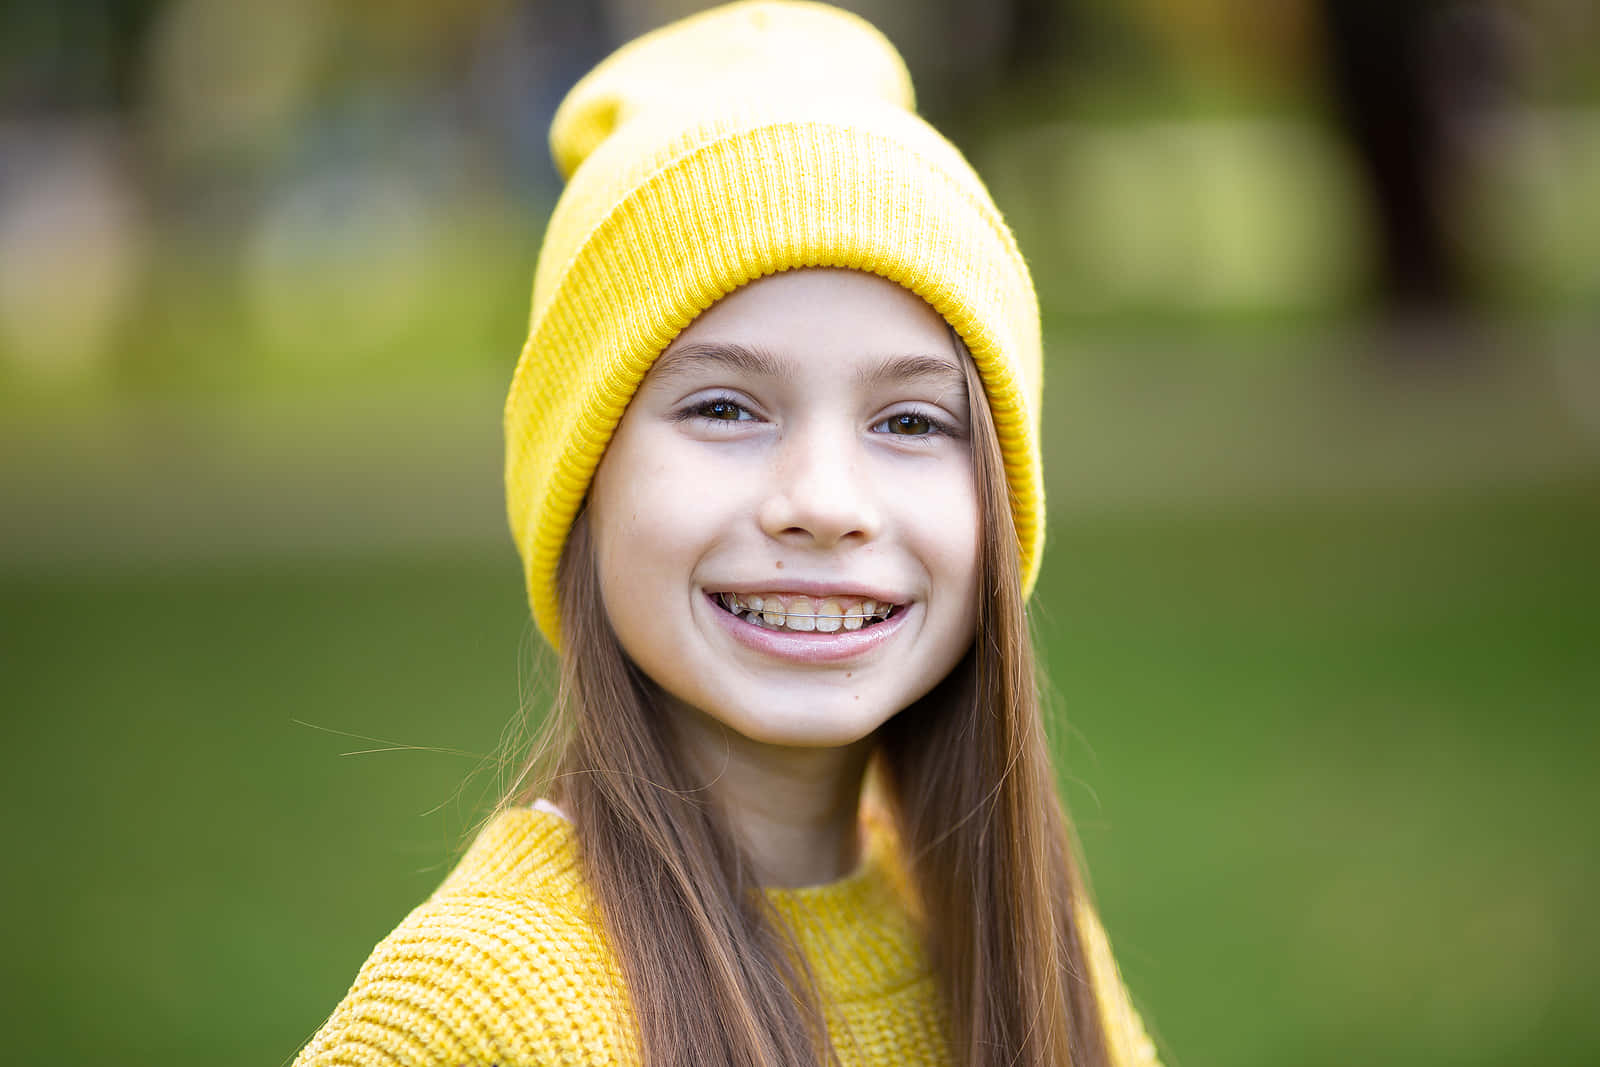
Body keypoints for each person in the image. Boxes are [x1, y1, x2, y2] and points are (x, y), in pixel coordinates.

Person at [293, 3, 1160, 1065]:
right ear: (582, 481)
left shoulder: (1014, 934)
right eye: (723, 407)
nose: (824, 499)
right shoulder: (480, 1006)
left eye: (909, 421)